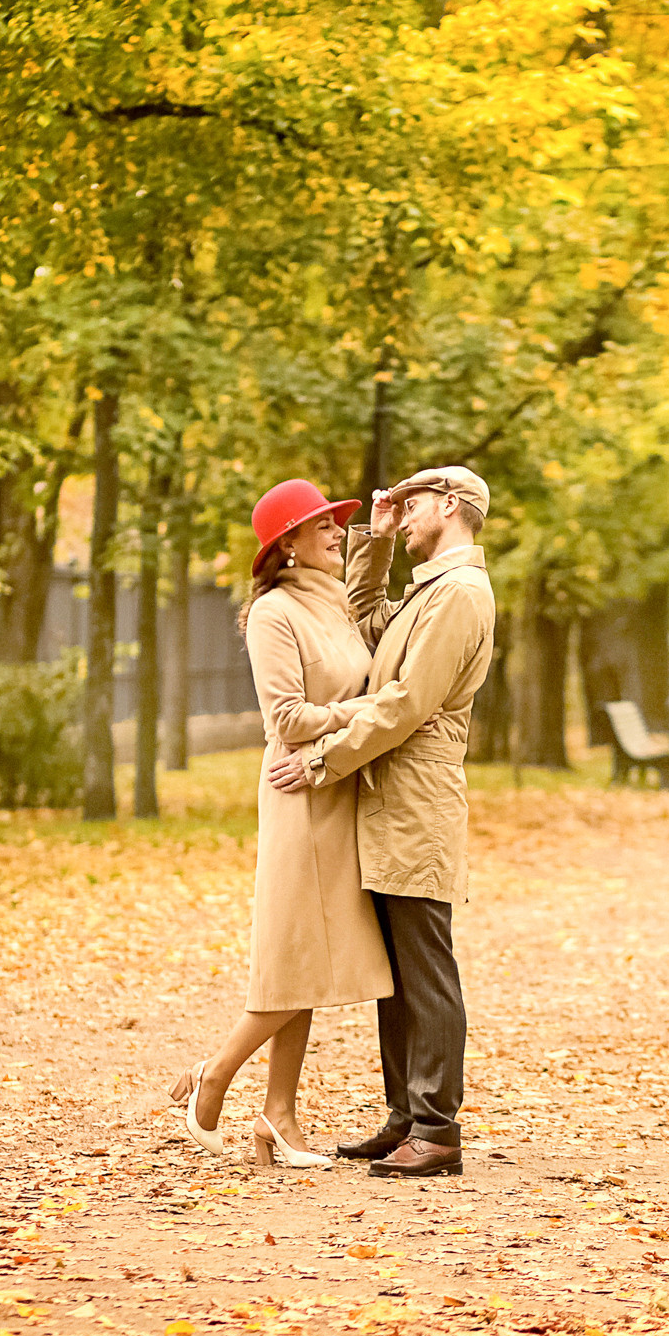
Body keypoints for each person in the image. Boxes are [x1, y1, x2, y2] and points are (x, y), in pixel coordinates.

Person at [268, 466, 497, 1180]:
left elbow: (402, 703)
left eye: (413, 501)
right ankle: (405, 1118)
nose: (403, 508)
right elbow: (366, 623)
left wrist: (320, 761)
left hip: (417, 801)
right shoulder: (430, 589)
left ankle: (436, 1128)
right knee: (397, 973)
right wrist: (378, 539)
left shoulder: (459, 594)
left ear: (450, 505)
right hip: (390, 799)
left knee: (426, 968)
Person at [168, 479, 394, 1169]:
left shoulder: (335, 603)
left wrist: (381, 537)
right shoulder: (273, 613)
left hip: (335, 790)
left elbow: (368, 607)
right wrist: (371, 710)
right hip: (298, 795)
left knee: (308, 960)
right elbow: (287, 719)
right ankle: (214, 1076)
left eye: (337, 523)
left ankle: (278, 1116)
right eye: (322, 525)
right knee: (295, 958)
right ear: (286, 544)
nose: (336, 531)